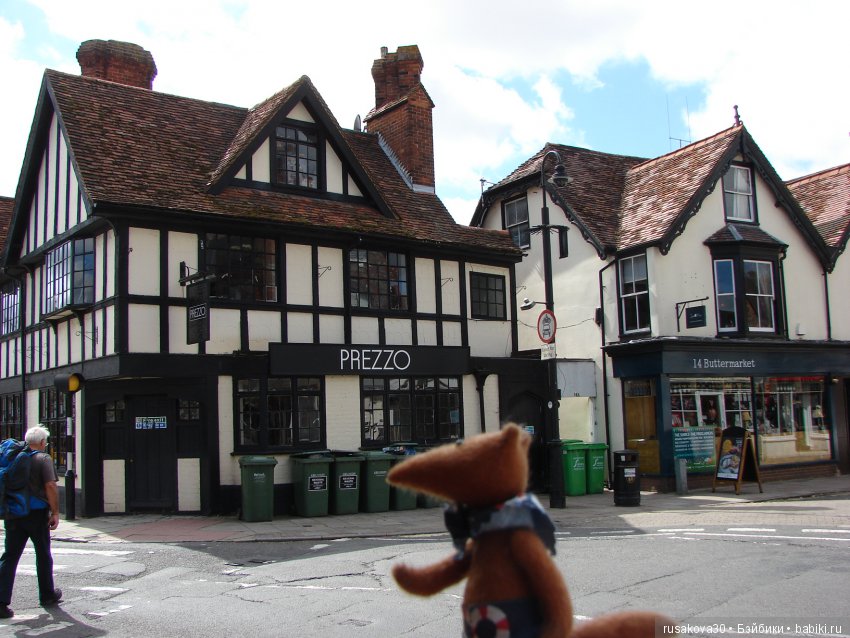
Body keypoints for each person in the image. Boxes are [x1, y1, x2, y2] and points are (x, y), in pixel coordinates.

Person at [0, 425, 62, 618]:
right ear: (43, 442)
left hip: (14, 512)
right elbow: (50, 485)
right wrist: (55, 512)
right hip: (36, 514)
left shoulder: (13, 458)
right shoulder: (43, 458)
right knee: (43, 553)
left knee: (10, 556)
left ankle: (1, 602)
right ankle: (47, 595)